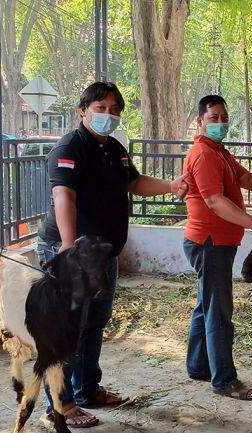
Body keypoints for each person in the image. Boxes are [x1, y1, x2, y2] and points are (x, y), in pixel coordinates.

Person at [36, 82, 188, 429]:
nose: (108, 115)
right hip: (72, 254)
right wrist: (69, 246)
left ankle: (88, 389)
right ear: (83, 110)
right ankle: (60, 406)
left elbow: (133, 183)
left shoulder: (115, 149)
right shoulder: (70, 147)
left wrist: (170, 186)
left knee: (94, 325)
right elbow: (64, 196)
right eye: (100, 108)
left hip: (103, 257)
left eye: (114, 110)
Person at [183, 95, 252, 400]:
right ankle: (224, 380)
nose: (220, 123)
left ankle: (199, 366)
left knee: (207, 304)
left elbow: (246, 179)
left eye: (224, 118)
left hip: (217, 242)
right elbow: (215, 202)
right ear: (200, 121)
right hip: (209, 242)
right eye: (213, 117)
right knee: (219, 310)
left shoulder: (219, 152)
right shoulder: (203, 154)